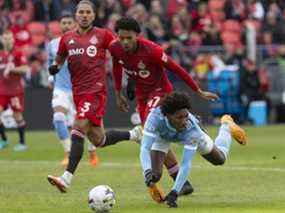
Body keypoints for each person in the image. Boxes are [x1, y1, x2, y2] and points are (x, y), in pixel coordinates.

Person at [109, 17, 219, 202]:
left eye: (129, 38)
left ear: (137, 35)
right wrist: (118, 92)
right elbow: (116, 66)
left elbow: (177, 69)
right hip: (142, 96)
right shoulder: (115, 47)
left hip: (160, 92)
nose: (125, 42)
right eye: (122, 38)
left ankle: (190, 125)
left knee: (149, 135)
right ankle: (181, 181)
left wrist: (198, 91)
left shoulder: (153, 50)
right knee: (155, 136)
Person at [47, 0, 142, 193]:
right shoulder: (67, 39)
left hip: (96, 91)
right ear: (76, 15)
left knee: (78, 127)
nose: (83, 15)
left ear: (93, 15)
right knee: (99, 140)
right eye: (80, 12)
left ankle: (66, 178)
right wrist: (55, 67)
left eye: (87, 12)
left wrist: (130, 79)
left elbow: (122, 53)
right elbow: (60, 58)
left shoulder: (103, 35)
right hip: (78, 94)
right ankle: (134, 134)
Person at [140, 91, 247, 208]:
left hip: (188, 136)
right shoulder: (154, 118)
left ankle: (226, 126)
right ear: (168, 115)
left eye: (186, 116)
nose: (184, 121)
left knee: (220, 159)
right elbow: (145, 148)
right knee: (154, 174)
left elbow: (186, 163)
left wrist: (175, 192)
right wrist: (148, 175)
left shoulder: (192, 130)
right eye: (179, 117)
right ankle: (152, 182)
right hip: (163, 137)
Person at [47, 12, 99, 167]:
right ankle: (68, 153)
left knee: (87, 124)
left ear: (75, 24)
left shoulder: (83, 42)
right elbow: (51, 62)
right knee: (58, 118)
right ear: (60, 25)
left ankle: (92, 151)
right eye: (64, 22)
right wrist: (50, 77)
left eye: (69, 22)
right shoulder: (53, 44)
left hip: (81, 88)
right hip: (61, 88)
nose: (66, 25)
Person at [0, 30, 29, 151]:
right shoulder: (1, 54)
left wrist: (12, 69)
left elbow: (25, 68)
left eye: (9, 38)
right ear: (2, 39)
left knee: (17, 116)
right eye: (5, 38)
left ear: (13, 39)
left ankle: (22, 143)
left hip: (15, 90)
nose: (7, 40)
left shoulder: (18, 53)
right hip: (2, 90)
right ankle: (4, 140)